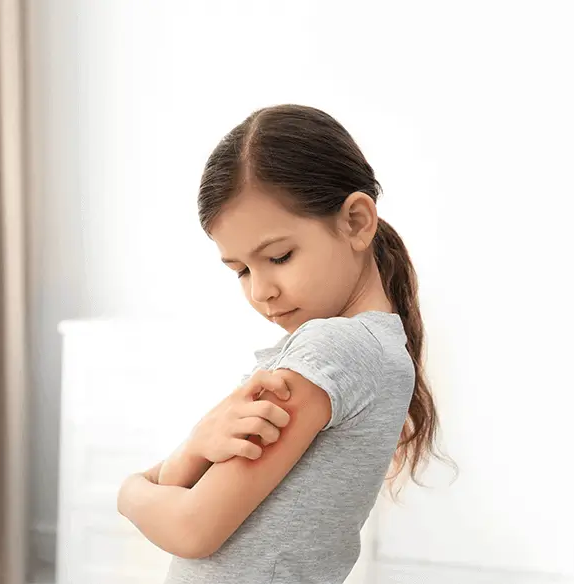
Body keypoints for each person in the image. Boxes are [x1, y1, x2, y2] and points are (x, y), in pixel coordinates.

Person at [117, 104, 452, 583]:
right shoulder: (367, 351)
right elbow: (179, 485)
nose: (261, 290)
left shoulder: (333, 351)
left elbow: (192, 528)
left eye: (279, 256)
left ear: (357, 221)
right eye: (241, 271)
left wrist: (128, 492)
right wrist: (196, 444)